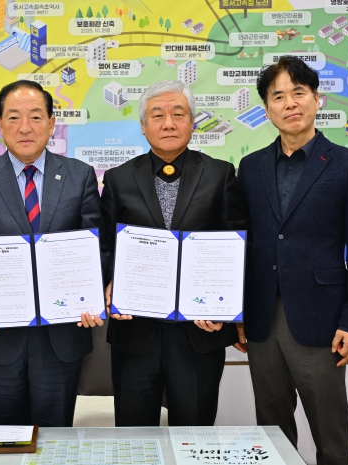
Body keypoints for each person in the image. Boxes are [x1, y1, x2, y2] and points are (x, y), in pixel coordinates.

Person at [236, 55, 348, 465]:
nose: (290, 103)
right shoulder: (251, 167)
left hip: (322, 320)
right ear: (267, 109)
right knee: (271, 432)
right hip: (262, 319)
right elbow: (245, 245)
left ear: (317, 99)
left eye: (298, 92)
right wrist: (237, 312)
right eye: (278, 96)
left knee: (330, 434)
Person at [0, 80, 103, 427]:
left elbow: (96, 245)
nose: (25, 127)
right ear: (0, 124)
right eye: (14, 117)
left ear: (51, 123)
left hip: (62, 333)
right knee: (2, 439)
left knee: (55, 439)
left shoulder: (79, 176)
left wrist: (92, 297)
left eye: (35, 117)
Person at [100, 80, 248, 426]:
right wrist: (108, 284)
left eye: (178, 114)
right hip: (135, 334)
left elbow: (238, 247)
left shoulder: (219, 174)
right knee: (135, 438)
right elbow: (105, 245)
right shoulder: (119, 179)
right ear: (143, 126)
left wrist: (226, 308)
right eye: (158, 115)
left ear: (192, 122)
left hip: (199, 333)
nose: (168, 123)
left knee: (193, 437)